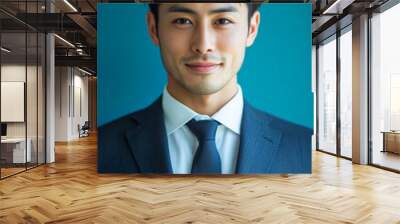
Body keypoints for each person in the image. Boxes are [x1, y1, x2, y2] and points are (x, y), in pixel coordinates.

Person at [98, 3, 312, 174]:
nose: (203, 44)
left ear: (251, 28)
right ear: (154, 28)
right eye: (182, 21)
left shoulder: (301, 145)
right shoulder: (106, 144)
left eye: (223, 20)